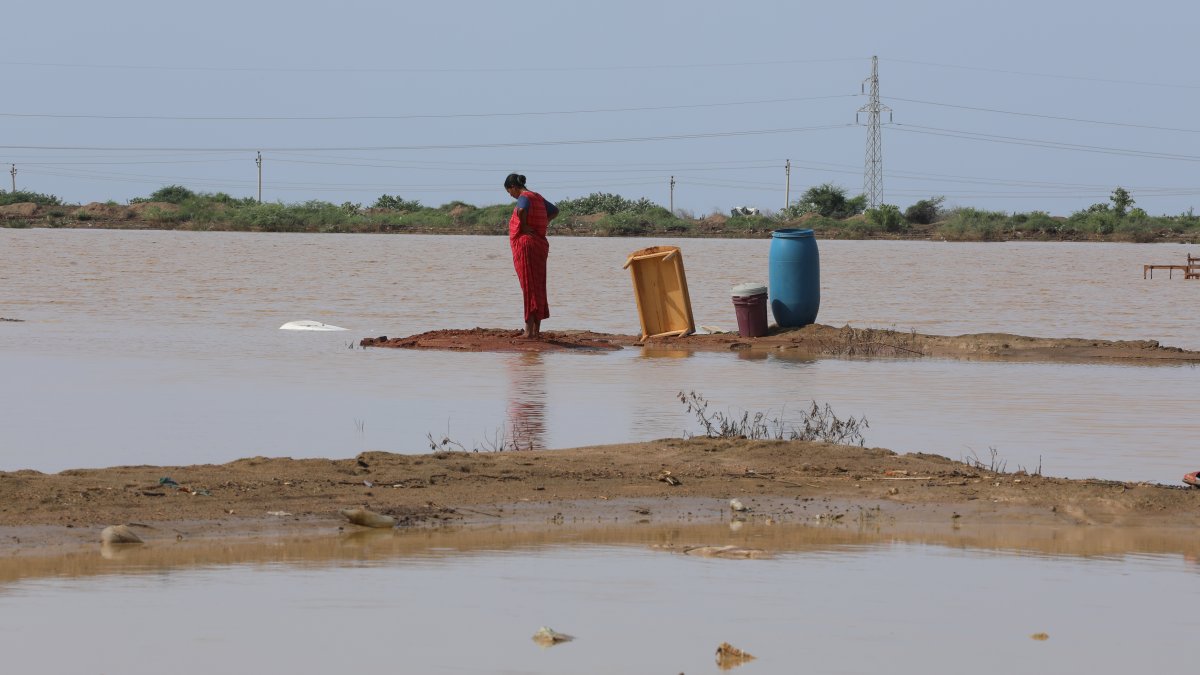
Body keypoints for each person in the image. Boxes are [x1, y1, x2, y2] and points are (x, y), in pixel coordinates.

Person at [504, 173, 558, 339]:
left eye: (509, 191)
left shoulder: (524, 196)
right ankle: (535, 331)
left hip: (527, 245)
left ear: (513, 187)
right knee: (538, 286)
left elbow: (521, 209)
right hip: (540, 244)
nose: (510, 195)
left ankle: (528, 332)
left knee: (529, 287)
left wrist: (525, 225)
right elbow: (555, 210)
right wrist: (543, 222)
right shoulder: (538, 197)